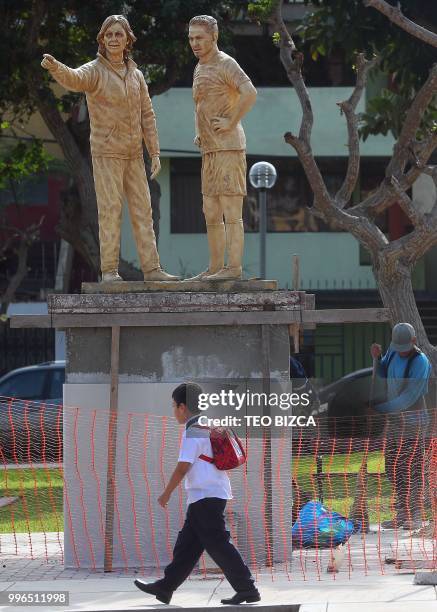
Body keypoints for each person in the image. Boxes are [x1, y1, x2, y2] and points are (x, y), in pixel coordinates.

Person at [41, 15, 179, 283]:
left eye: (119, 34)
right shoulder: (94, 70)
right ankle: (109, 271)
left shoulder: (136, 74)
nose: (114, 39)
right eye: (109, 35)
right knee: (110, 211)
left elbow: (147, 115)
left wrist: (156, 151)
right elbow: (74, 78)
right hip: (106, 153)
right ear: (102, 39)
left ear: (128, 39)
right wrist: (56, 68)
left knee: (143, 211)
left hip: (134, 154)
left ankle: (152, 269)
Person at [134, 382, 260, 605]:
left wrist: (166, 493)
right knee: (187, 545)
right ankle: (165, 588)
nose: (173, 411)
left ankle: (247, 589)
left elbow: (183, 467)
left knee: (219, 544)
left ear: (183, 407)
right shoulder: (206, 424)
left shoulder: (193, 431)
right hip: (208, 494)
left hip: (206, 495)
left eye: (174, 406)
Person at [186, 15, 257, 281]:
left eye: (199, 37)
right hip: (210, 150)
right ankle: (215, 267)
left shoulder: (226, 63)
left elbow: (250, 92)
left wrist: (231, 121)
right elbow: (200, 104)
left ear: (213, 37)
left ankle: (233, 268)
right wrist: (199, 132)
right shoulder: (199, 67)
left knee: (231, 211)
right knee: (211, 211)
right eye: (191, 38)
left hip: (229, 148)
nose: (195, 43)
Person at [370, 322, 432, 530]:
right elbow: (382, 374)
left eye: (405, 348)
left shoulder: (420, 361)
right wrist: (377, 359)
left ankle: (414, 514)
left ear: (414, 341)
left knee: (411, 467)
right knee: (393, 468)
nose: (402, 352)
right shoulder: (394, 352)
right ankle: (402, 512)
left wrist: (382, 409)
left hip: (414, 422)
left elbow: (409, 397)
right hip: (395, 422)